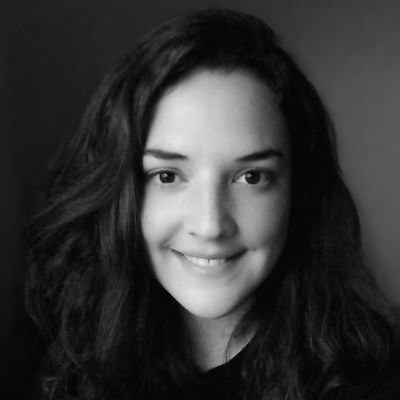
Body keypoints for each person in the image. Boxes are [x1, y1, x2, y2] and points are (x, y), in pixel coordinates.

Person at [25, 8, 400, 400]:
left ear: (298, 191)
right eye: (167, 176)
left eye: (251, 177)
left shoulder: (374, 382)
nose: (210, 225)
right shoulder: (76, 357)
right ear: (119, 189)